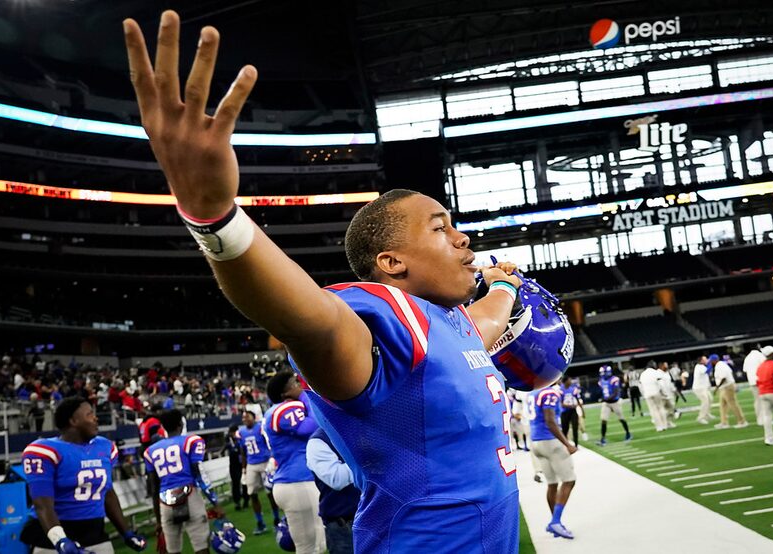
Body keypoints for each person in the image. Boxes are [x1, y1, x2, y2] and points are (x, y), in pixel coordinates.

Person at [123, 12, 528, 551]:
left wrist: (505, 285)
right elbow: (304, 317)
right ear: (391, 262)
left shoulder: (450, 325)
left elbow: (483, 321)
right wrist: (214, 215)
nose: (461, 239)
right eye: (440, 228)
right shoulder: (380, 317)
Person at [20, 397, 146, 554]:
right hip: (53, 537)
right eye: (89, 414)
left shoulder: (105, 447)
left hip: (95, 533)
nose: (96, 418)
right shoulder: (44, 451)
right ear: (73, 421)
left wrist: (126, 533)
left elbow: (107, 493)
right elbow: (42, 505)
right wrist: (60, 540)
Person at [144, 409, 224, 554]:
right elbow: (199, 475)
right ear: (180, 424)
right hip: (189, 496)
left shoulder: (151, 451)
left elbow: (154, 488)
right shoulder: (191, 441)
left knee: (173, 551)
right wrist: (215, 502)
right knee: (201, 547)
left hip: (165, 502)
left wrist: (158, 520)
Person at [264, 370, 325, 554]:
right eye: (295, 383)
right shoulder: (283, 408)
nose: (300, 385)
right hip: (297, 482)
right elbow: (311, 426)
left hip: (296, 481)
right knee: (309, 548)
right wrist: (307, 397)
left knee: (318, 545)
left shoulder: (281, 409)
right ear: (285, 393)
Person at [528, 384, 577, 540]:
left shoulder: (534, 392)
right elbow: (550, 421)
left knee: (552, 484)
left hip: (536, 442)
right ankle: (556, 521)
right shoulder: (549, 392)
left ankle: (555, 522)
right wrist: (567, 443)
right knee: (569, 481)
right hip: (550, 442)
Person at [306, 427, 361, 554]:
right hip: (344, 524)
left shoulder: (359, 428)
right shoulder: (318, 441)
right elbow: (337, 479)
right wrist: (368, 460)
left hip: (376, 517)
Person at [236, 408, 276, 534]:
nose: (245, 419)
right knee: (251, 493)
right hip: (251, 464)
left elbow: (270, 443)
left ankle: (277, 519)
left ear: (254, 417)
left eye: (247, 417)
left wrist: (271, 458)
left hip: (264, 462)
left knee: (270, 492)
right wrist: (243, 469)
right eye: (243, 418)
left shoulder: (260, 428)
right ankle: (260, 522)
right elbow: (243, 452)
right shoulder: (241, 432)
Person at [711, 354, 748, 429]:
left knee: (733, 404)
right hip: (725, 387)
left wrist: (717, 388)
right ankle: (724, 422)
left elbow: (723, 377)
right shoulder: (722, 365)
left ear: (714, 360)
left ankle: (742, 421)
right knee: (723, 406)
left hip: (727, 387)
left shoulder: (720, 366)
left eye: (711, 361)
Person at [597, 365, 631, 445]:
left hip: (615, 402)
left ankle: (628, 433)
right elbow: (604, 392)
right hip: (606, 403)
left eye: (603, 372)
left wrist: (605, 399)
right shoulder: (601, 381)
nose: (602, 374)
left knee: (621, 418)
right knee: (603, 420)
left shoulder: (614, 379)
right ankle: (603, 438)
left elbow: (615, 393)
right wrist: (604, 399)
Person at [220, 425, 246, 509]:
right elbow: (222, 451)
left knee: (244, 482)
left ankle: (246, 499)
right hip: (233, 465)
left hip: (242, 464)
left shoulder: (240, 439)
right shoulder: (228, 441)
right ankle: (237, 502)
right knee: (235, 484)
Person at [639, 361, 669, 432]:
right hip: (656, 392)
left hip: (647, 394)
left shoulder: (643, 374)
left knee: (653, 410)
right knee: (660, 408)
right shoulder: (655, 372)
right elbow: (660, 383)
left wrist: (643, 394)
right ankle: (664, 425)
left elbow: (640, 386)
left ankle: (659, 427)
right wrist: (664, 393)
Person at [742, 347, 766, 425]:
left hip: (752, 382)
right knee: (764, 400)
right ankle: (765, 418)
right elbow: (765, 366)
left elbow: (745, 370)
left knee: (757, 400)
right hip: (761, 380)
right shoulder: (760, 355)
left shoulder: (747, 358)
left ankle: (759, 419)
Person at [559, 376, 583, 447]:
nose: (571, 381)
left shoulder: (573, 389)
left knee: (575, 427)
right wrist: (570, 406)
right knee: (565, 429)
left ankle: (576, 444)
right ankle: (564, 445)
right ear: (565, 381)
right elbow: (560, 403)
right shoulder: (560, 390)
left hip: (573, 411)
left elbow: (578, 400)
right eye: (569, 380)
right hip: (564, 412)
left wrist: (582, 410)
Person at [693, 356, 714, 424]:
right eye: (705, 359)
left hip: (704, 388)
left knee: (710, 399)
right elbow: (707, 371)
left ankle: (707, 414)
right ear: (701, 361)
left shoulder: (702, 366)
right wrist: (710, 363)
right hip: (699, 388)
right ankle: (700, 417)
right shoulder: (699, 367)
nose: (707, 360)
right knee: (705, 402)